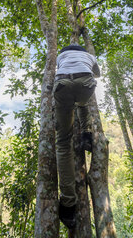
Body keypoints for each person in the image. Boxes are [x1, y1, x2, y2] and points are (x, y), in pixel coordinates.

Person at [53, 43, 100, 229]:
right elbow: (97, 74)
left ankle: (68, 205)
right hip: (86, 82)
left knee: (63, 143)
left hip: (63, 84)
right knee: (82, 102)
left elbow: (59, 71)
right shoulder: (89, 56)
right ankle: (87, 134)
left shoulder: (60, 57)